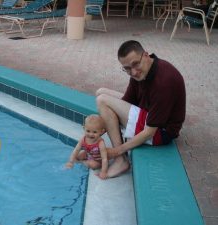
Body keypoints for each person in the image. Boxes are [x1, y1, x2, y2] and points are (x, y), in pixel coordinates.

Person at [96, 40, 186, 178]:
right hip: (148, 112)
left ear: (145, 55)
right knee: (100, 92)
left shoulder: (164, 81)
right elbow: (127, 102)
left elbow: (150, 132)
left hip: (161, 132)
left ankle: (121, 161)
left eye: (135, 64)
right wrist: (99, 127)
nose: (133, 72)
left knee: (102, 101)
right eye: (126, 68)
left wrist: (117, 151)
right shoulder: (141, 72)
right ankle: (115, 137)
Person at [65, 114, 108, 179]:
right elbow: (76, 150)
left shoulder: (100, 143)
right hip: (88, 154)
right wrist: (70, 162)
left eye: (95, 132)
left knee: (93, 165)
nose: (91, 134)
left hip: (96, 160)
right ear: (84, 128)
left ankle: (81, 162)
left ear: (101, 132)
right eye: (88, 131)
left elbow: (104, 159)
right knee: (79, 154)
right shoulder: (83, 139)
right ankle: (79, 162)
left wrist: (103, 172)